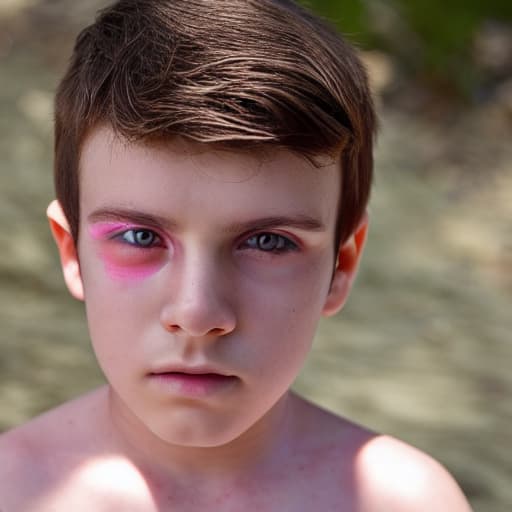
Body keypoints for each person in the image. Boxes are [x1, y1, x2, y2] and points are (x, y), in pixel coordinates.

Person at [0, 1, 473, 510]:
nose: (198, 314)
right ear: (71, 252)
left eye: (268, 242)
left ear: (342, 266)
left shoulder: (408, 501)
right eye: (140, 237)